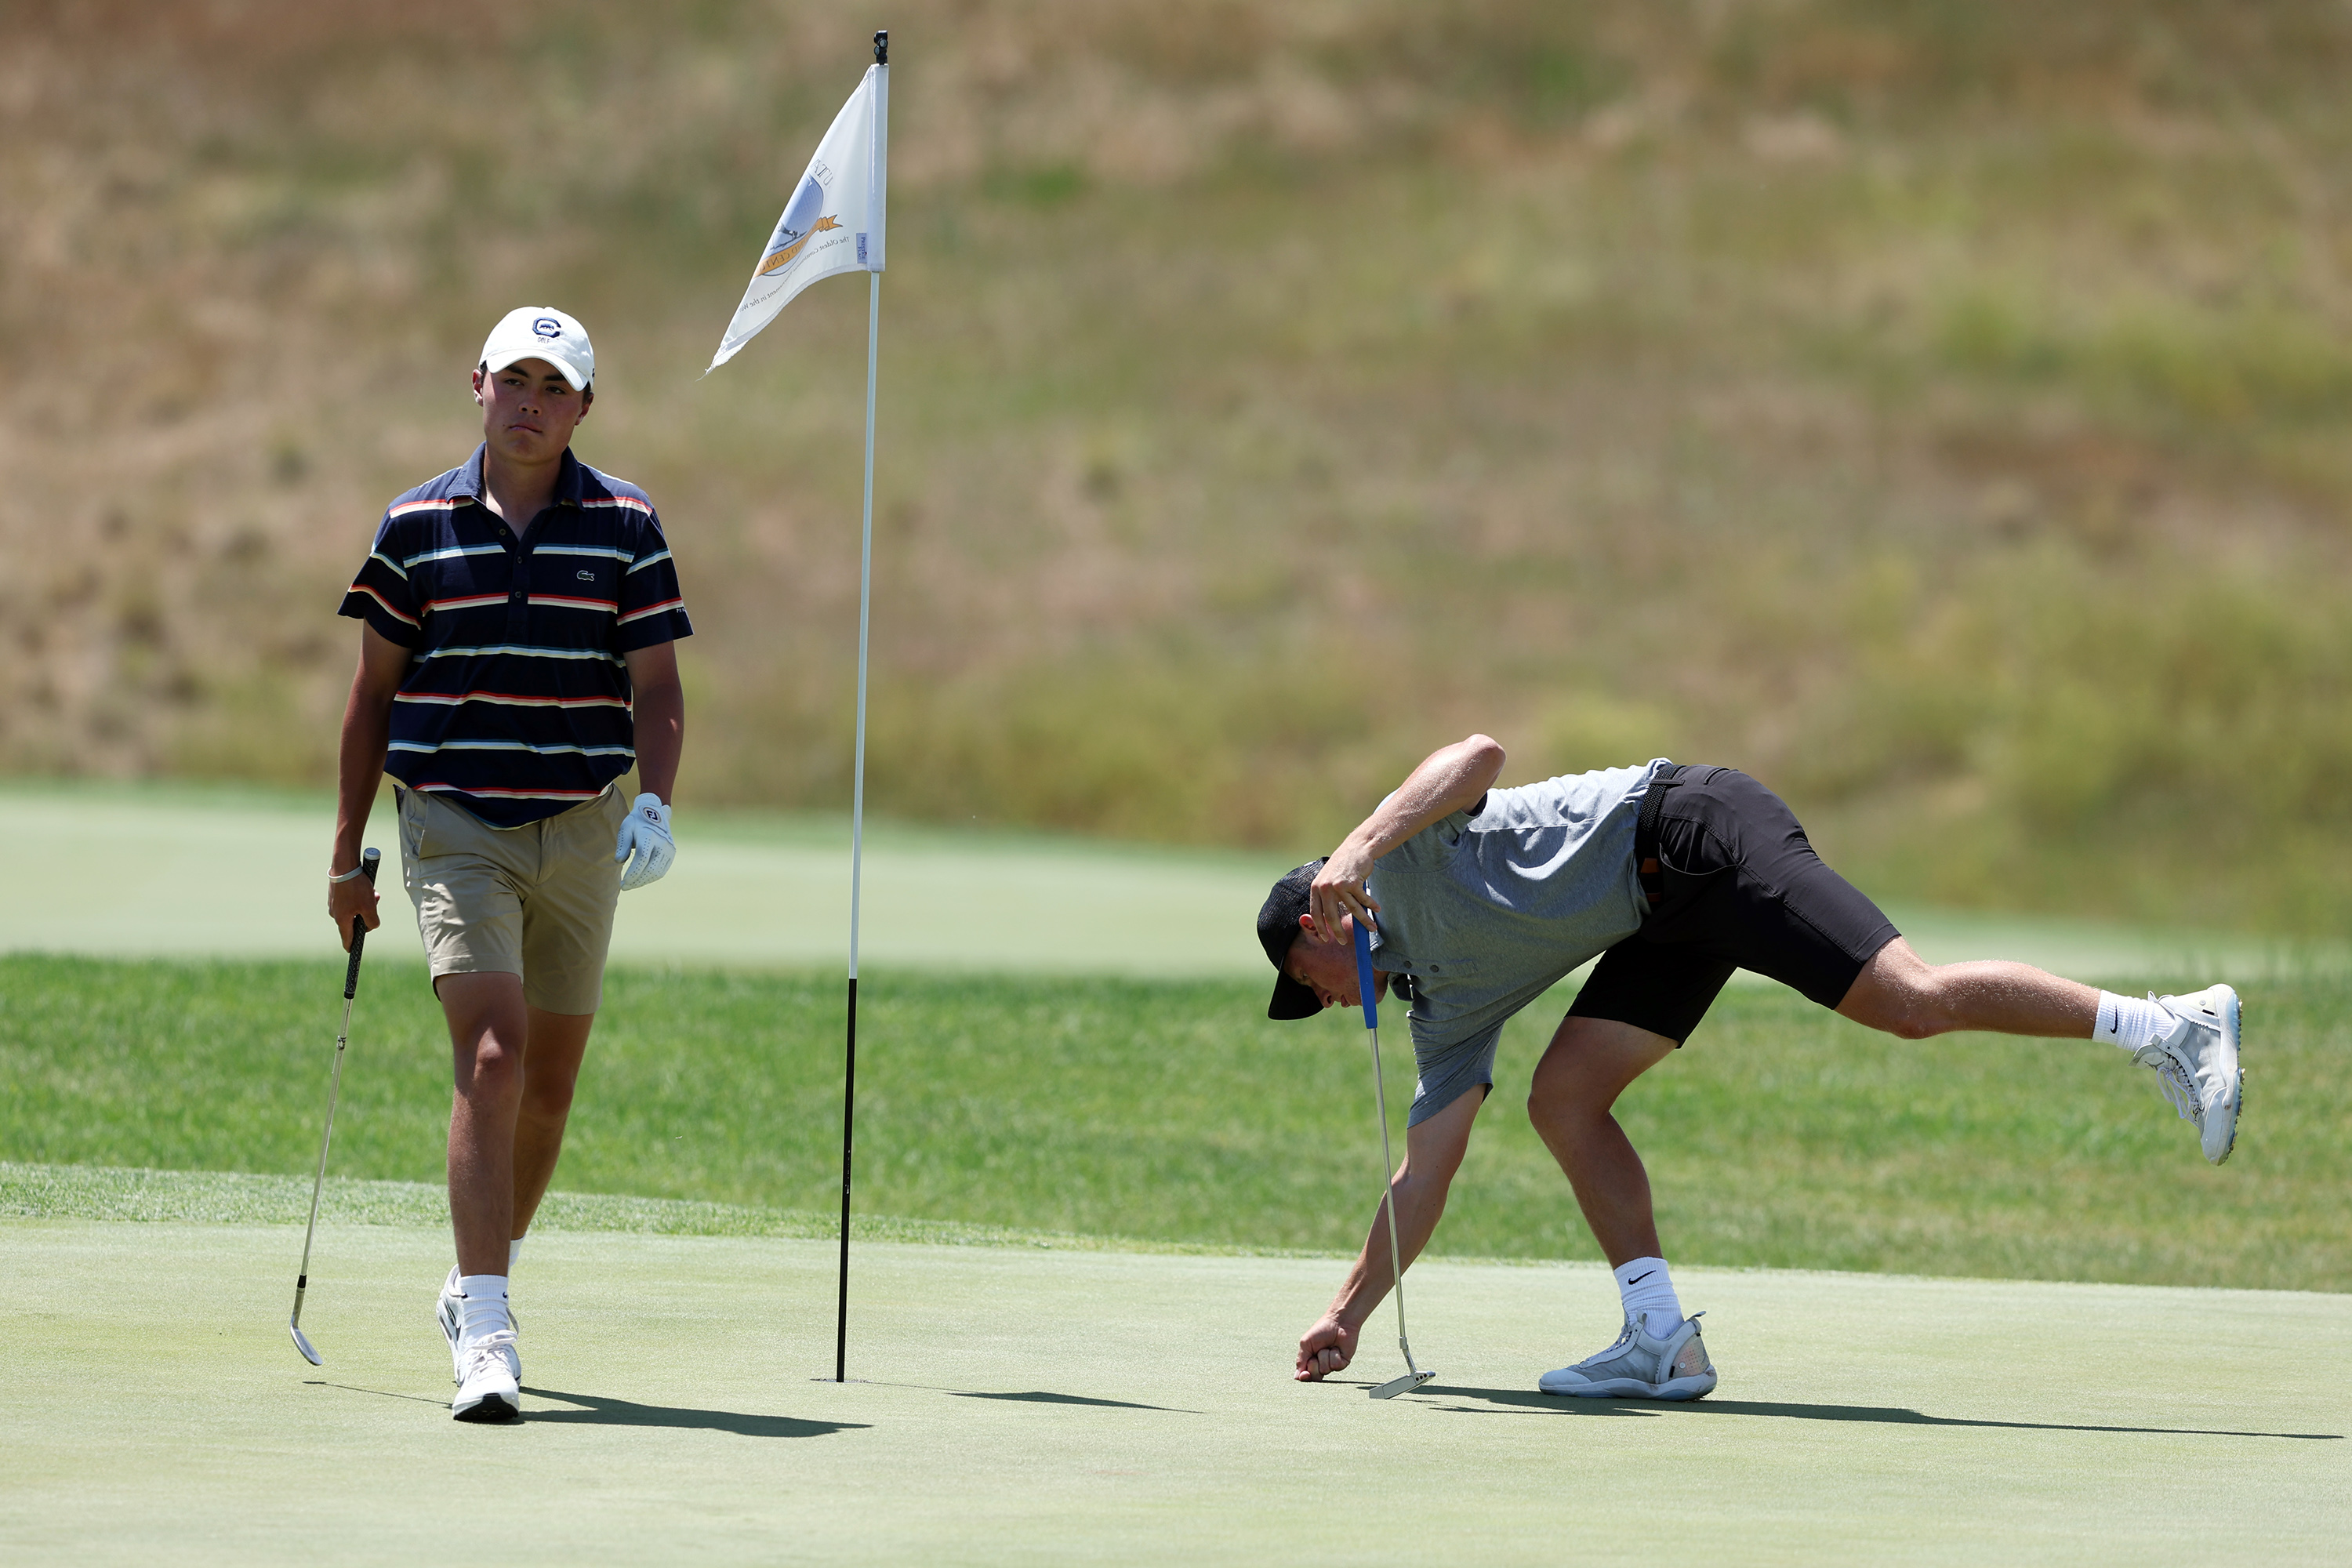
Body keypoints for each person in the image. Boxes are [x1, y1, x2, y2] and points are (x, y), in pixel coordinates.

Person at [1259, 735, 2241, 1401]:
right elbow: (1421, 1175)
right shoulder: (1441, 1006)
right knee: (1563, 1097)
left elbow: (1480, 751)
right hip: (1659, 919)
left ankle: (2168, 1026)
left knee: (1909, 1000)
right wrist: (1343, 1316)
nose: (1324, 1001)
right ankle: (1661, 1340)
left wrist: (1359, 838)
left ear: (1318, 925)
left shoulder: (1398, 861)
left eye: (1308, 983)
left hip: (1696, 830)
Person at [328, 307, 691, 1422]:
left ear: (584, 406)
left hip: (584, 824)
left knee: (549, 1087)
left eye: (557, 385)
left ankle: (478, 1277)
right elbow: (373, 695)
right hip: (454, 820)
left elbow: (661, 691)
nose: (532, 401)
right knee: (494, 1055)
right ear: (476, 384)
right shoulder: (416, 524)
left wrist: (657, 807)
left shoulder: (626, 523)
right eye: (515, 380)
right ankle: (487, 1328)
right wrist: (347, 856)